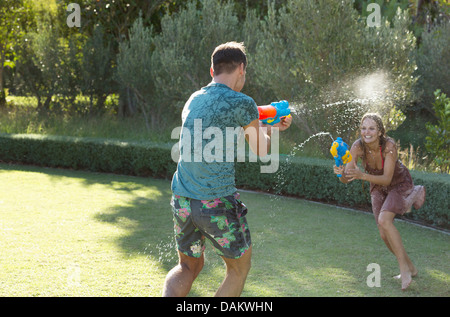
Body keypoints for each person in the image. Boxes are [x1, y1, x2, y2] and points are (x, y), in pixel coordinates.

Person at [162, 42, 292, 297]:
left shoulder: (194, 98)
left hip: (183, 199)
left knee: (188, 265)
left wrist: (259, 121)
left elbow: (221, 125)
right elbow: (261, 150)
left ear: (212, 71)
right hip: (216, 201)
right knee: (238, 269)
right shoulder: (242, 102)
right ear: (241, 68)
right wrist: (273, 129)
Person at [334, 113, 426, 290]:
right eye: (363, 128)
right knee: (384, 233)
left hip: (398, 183)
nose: (366, 132)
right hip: (376, 187)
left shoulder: (389, 146)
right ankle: (411, 268)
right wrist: (340, 173)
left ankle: (404, 270)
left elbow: (387, 178)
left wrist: (362, 175)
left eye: (371, 128)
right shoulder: (357, 147)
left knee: (385, 220)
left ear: (380, 131)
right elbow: (347, 178)